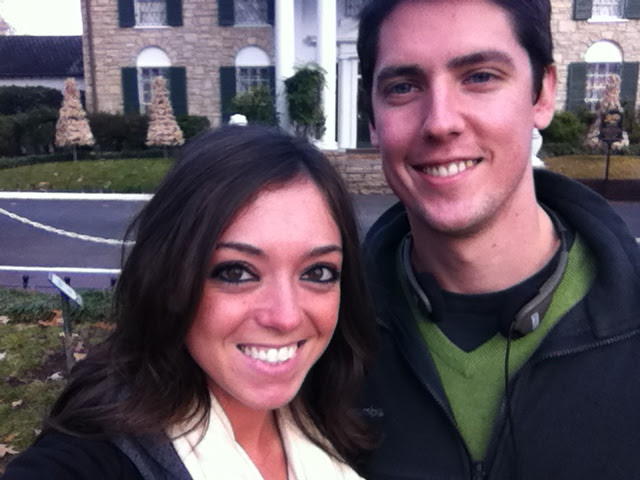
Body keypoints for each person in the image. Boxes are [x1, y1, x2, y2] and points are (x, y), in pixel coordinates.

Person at [356, 0, 640, 478]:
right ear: (372, 117)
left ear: (542, 94)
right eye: (403, 87)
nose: (440, 122)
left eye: (480, 77)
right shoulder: (324, 338)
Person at [3, 125, 376, 479]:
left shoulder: (334, 410)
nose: (286, 316)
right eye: (236, 272)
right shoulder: (95, 459)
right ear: (170, 278)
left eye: (318, 272)